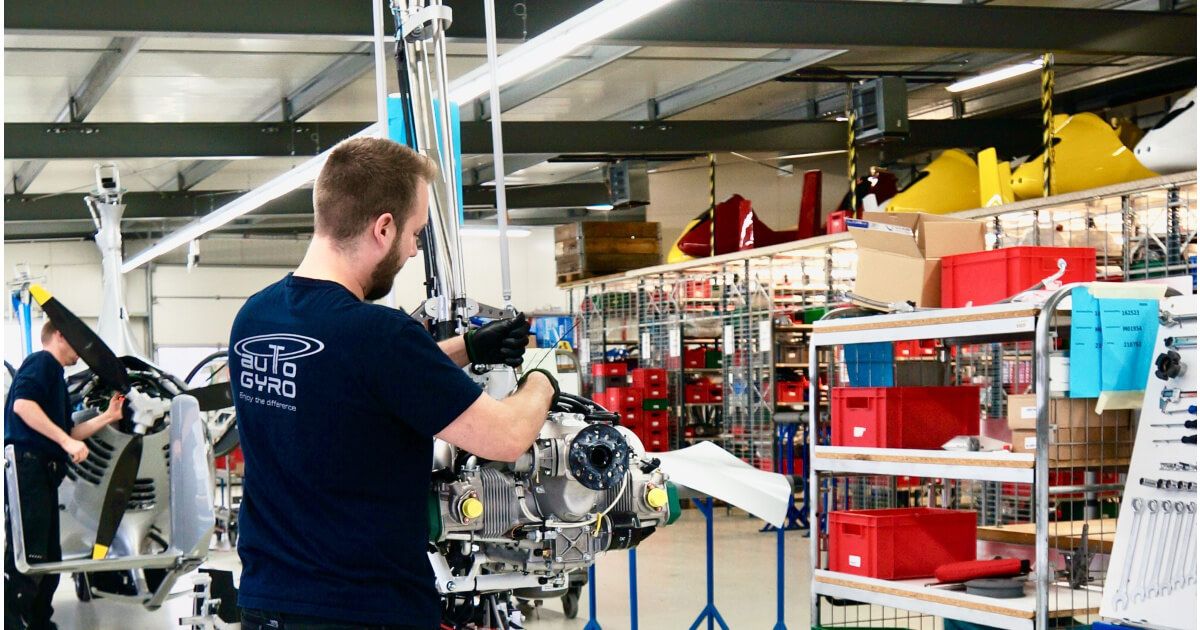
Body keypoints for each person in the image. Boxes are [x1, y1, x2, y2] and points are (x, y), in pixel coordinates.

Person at [229, 137, 557, 630]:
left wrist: (470, 347)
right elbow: (506, 435)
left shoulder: (255, 317)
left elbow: (350, 380)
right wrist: (542, 383)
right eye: (415, 233)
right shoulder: (380, 334)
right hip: (363, 610)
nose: (412, 249)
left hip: (266, 602)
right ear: (383, 228)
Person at [4, 321, 124, 630]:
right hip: (29, 470)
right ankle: (16, 622)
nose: (81, 353)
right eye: (76, 342)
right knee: (31, 555)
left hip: (43, 475)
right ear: (59, 334)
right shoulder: (42, 362)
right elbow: (23, 405)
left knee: (48, 557)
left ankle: (39, 622)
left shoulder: (54, 376)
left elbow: (69, 431)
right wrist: (67, 443)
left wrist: (108, 417)